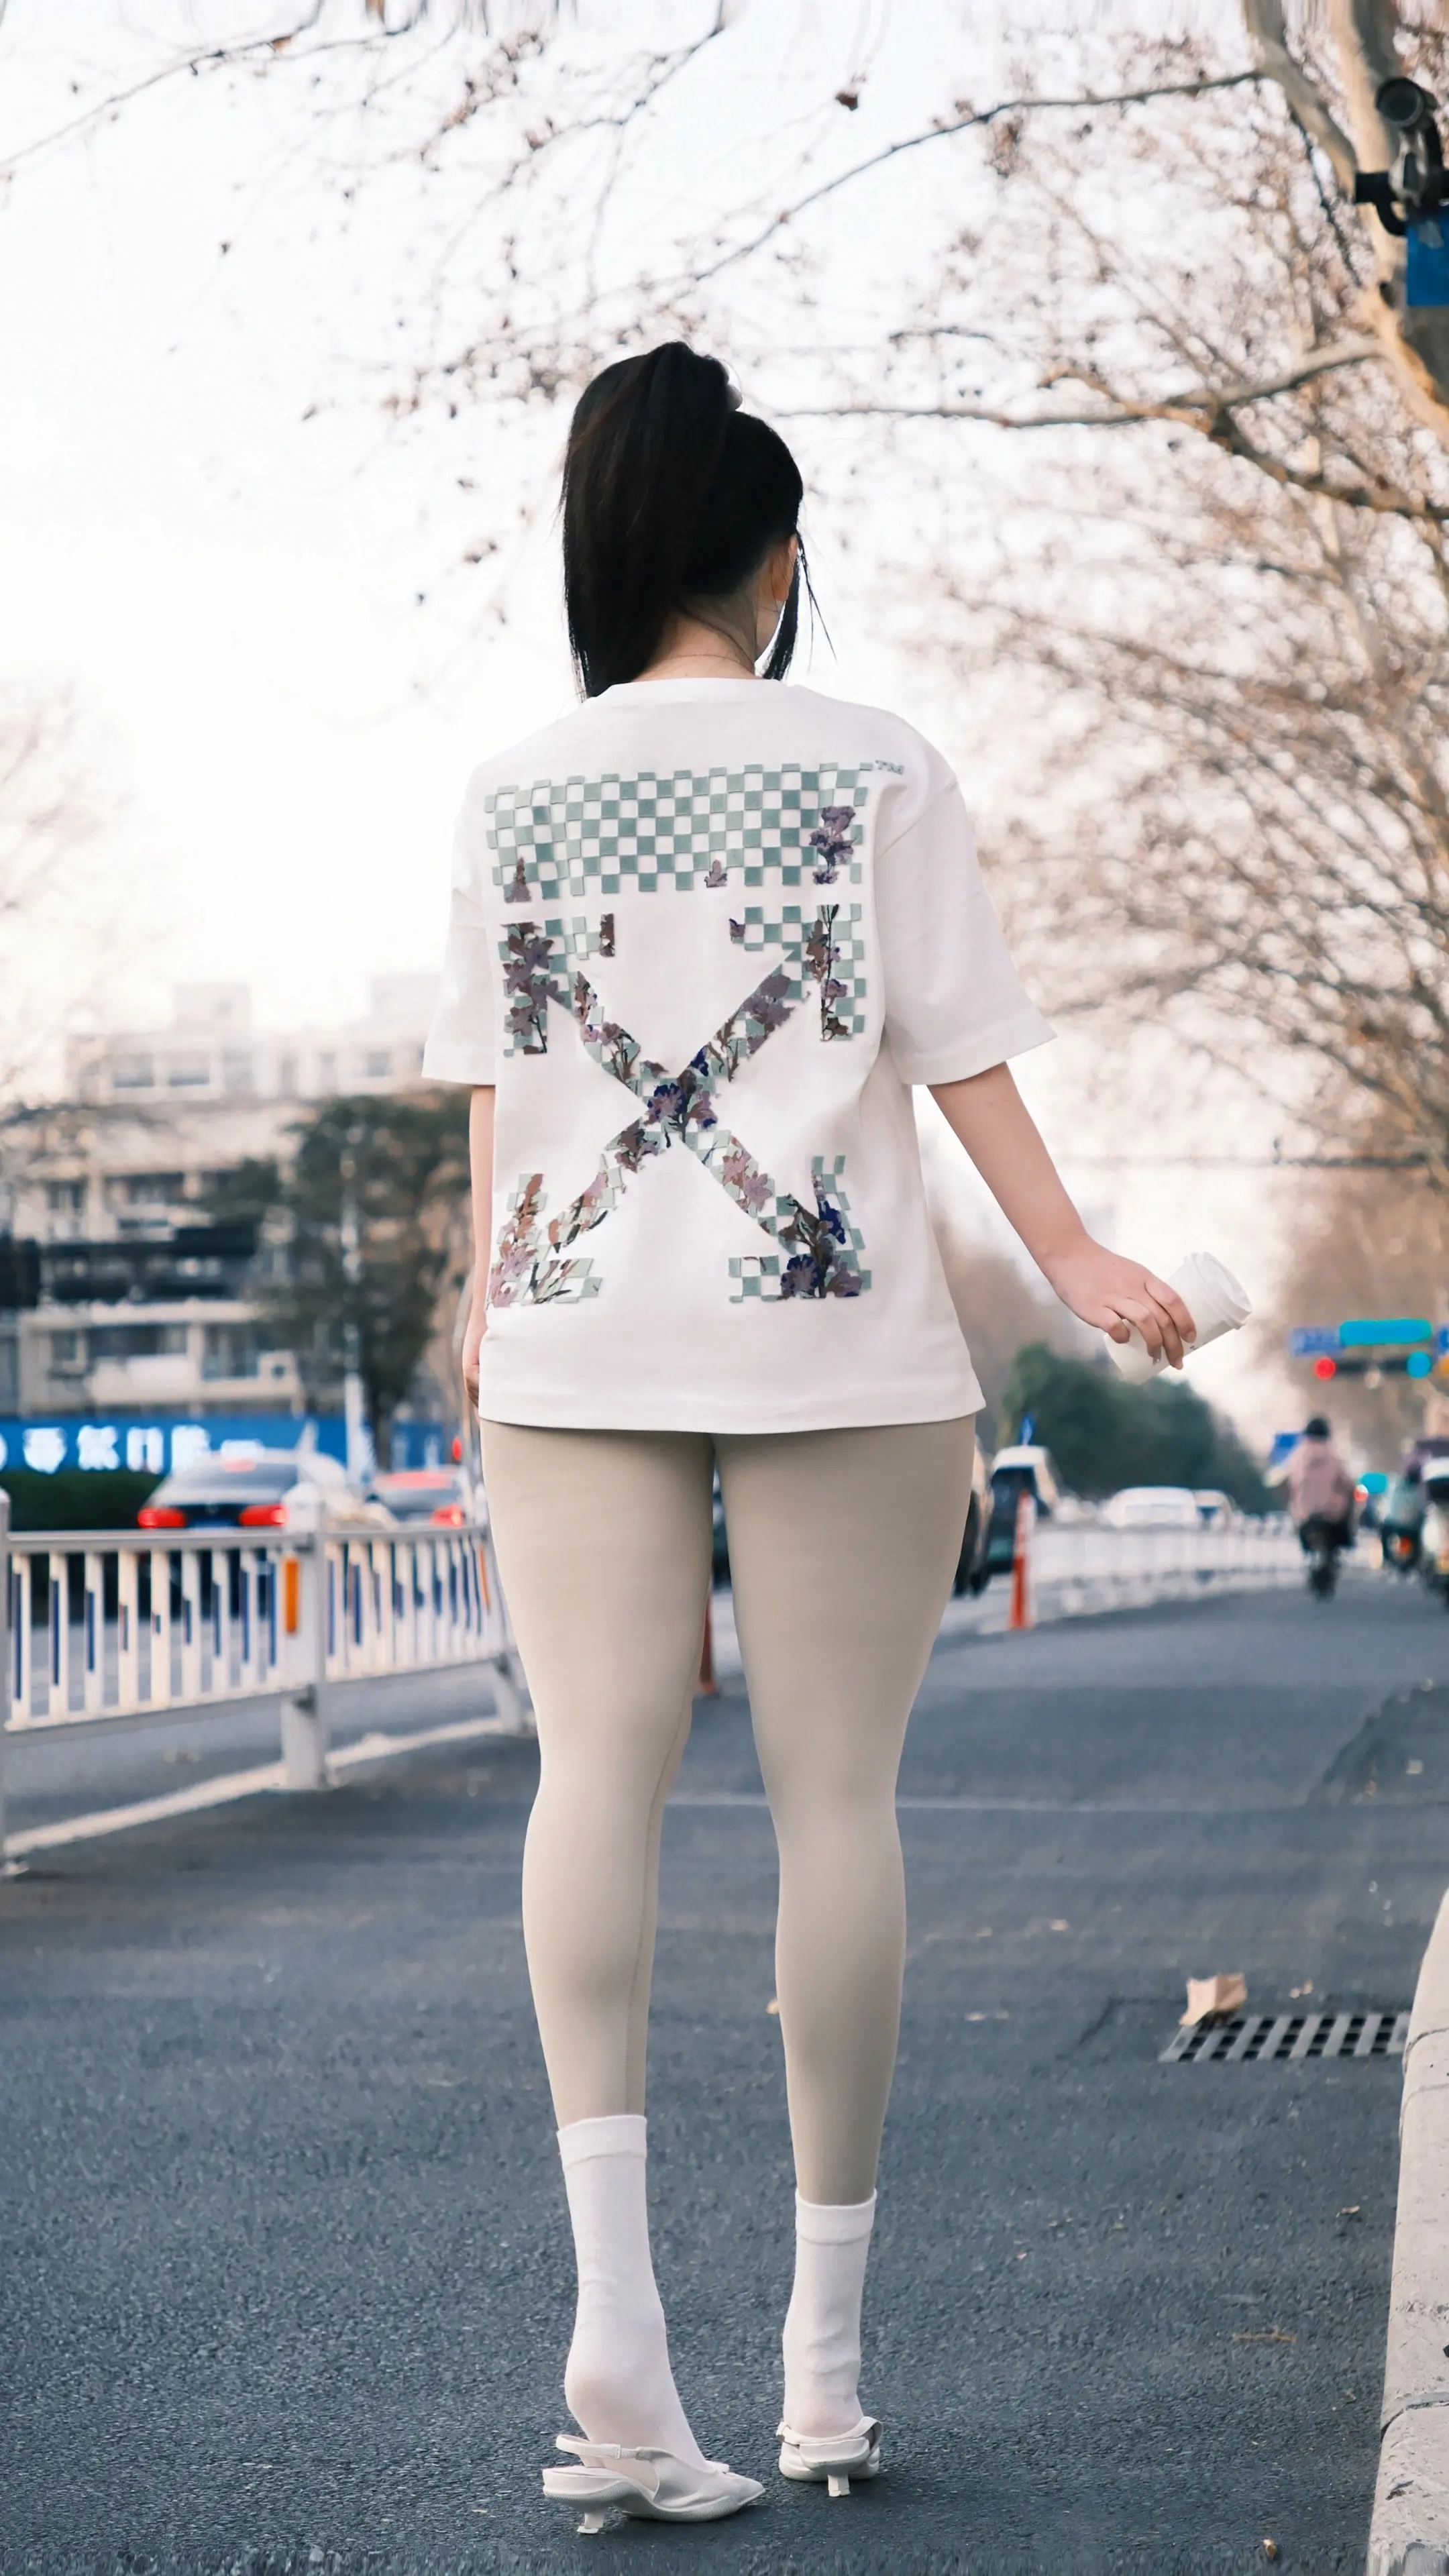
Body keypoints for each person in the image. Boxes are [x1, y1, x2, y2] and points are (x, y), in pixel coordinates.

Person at [422, 341, 1195, 2529]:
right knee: (835, 1804)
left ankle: (618, 2334)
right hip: (834, 1340)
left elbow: (507, 1089)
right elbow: (961, 1057)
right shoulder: (874, 768)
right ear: (771, 559)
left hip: (572, 1331)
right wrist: (1072, 1255)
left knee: (594, 1783)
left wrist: (487, 1305)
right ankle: (827, 2377)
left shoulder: (511, 791)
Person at [1286, 1415, 1356, 1553]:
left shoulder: (1297, 1457)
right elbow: (1347, 1482)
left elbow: (1292, 1483)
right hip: (1332, 1513)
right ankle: (1348, 1540)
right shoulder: (1333, 1456)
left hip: (1304, 1514)